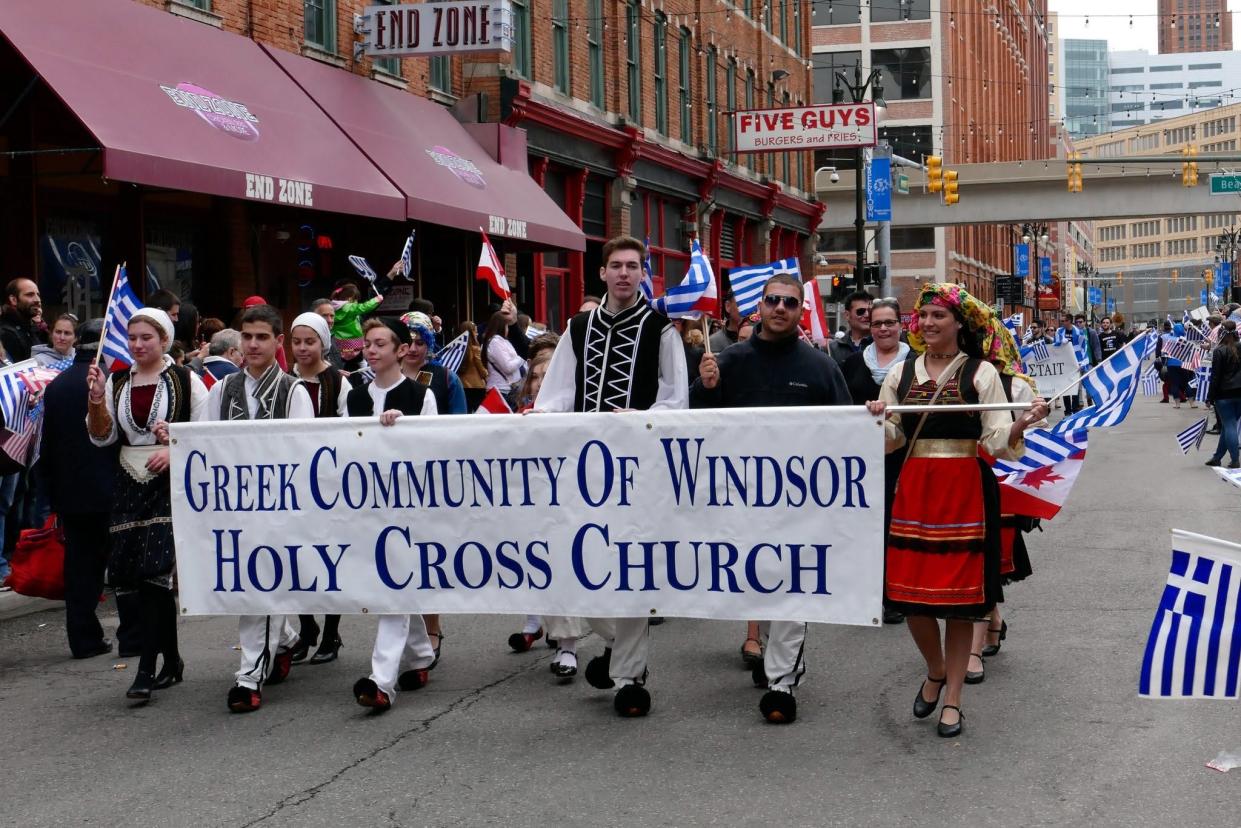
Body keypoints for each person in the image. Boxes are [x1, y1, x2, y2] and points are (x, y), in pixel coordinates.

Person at [865, 283, 1048, 738]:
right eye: (923, 316)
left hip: (966, 491)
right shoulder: (901, 374)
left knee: (962, 604)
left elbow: (994, 443)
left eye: (938, 317)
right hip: (915, 492)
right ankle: (935, 669)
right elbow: (892, 439)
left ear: (959, 324)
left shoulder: (982, 374)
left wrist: (1020, 423)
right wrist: (874, 418)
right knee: (910, 598)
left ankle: (953, 699)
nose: (927, 323)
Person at [533, 235, 689, 718]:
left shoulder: (662, 328)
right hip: (584, 469)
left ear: (643, 273)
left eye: (633, 266)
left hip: (639, 472)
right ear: (602, 273)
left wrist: (637, 418)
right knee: (574, 567)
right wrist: (536, 424)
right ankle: (619, 649)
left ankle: (629, 677)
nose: (624, 273)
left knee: (631, 569)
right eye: (616, 266)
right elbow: (556, 394)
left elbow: (675, 400)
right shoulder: (578, 328)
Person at [691, 273, 851, 724]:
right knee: (756, 584)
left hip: (802, 505)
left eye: (790, 302)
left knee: (795, 588)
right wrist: (704, 389)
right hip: (738, 503)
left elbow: (846, 432)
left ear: (800, 311)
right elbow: (692, 429)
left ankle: (782, 682)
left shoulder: (821, 368)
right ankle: (763, 651)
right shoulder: (727, 361)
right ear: (757, 306)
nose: (780, 307)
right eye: (772, 300)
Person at [86, 308, 209, 702]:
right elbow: (102, 439)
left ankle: (146, 667)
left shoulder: (187, 381)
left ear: (164, 340)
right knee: (133, 577)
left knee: (156, 574)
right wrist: (94, 403)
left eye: (146, 338)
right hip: (127, 481)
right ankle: (171, 660)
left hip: (168, 484)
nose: (138, 345)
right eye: (133, 338)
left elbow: (205, 436)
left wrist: (174, 449)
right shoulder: (118, 381)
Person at [206, 305, 314, 713]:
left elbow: (303, 452)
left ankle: (248, 676)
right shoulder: (221, 390)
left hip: (278, 505)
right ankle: (285, 641)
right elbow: (206, 445)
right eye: (246, 336)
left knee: (261, 586)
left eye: (261, 337)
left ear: (277, 342)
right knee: (248, 588)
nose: (252, 344)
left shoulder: (293, 391)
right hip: (235, 504)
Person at [347, 318, 438, 713]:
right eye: (367, 343)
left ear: (400, 350)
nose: (371, 349)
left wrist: (402, 431)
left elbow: (435, 447)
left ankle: (381, 681)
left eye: (380, 343)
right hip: (368, 501)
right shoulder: (354, 397)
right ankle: (420, 654)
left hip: (409, 503)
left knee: (393, 582)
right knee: (394, 582)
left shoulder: (420, 395)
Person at [42, 319, 139, 659]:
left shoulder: (56, 387)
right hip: (116, 488)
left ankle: (83, 640)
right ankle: (132, 637)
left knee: (80, 568)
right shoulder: (115, 385)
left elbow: (47, 448)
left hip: (72, 494)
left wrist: (51, 495)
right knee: (124, 566)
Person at [840, 297, 912, 626]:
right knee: (866, 526)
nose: (883, 328)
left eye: (889, 322)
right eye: (877, 323)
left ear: (901, 325)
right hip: (861, 460)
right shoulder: (853, 364)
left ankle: (896, 594)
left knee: (897, 525)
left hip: (904, 457)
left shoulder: (917, 365)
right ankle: (869, 593)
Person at [286, 311, 350, 664]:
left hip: (326, 480)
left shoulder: (337, 382)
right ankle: (306, 626)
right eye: (296, 341)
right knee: (297, 557)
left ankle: (330, 632)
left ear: (323, 343)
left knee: (328, 557)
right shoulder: (283, 381)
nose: (302, 348)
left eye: (309, 341)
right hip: (293, 481)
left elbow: (346, 428)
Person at [401, 311, 467, 415]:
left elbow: (459, 422)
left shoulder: (447, 378)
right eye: (408, 342)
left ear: (429, 345)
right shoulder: (386, 376)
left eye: (420, 343)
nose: (412, 349)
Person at [1205, 321, 1241, 469]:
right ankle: (1217, 457)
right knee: (1228, 426)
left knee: (1229, 425)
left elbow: (1215, 377)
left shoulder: (1219, 351)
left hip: (1224, 395)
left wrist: (1209, 397)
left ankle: (1235, 460)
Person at [329, 283, 383, 369]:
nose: (357, 302)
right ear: (350, 298)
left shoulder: (332, 308)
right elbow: (364, 307)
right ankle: (365, 371)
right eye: (356, 300)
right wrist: (376, 300)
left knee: (347, 361)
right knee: (361, 359)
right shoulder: (349, 308)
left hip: (341, 342)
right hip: (355, 341)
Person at [481, 302, 524, 398]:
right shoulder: (495, 342)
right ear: (501, 326)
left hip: (507, 389)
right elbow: (508, 367)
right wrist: (521, 356)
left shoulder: (503, 341)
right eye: (507, 326)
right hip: (500, 390)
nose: (508, 329)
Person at [0, 278, 45, 362]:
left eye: (38, 294)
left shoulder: (31, 327)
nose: (37, 300)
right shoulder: (6, 333)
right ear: (13, 300)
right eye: (30, 295)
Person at [827, 291, 873, 364]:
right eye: (861, 311)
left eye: (870, 311)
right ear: (847, 315)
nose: (867, 315)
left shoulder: (881, 344)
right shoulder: (832, 348)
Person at [455, 320, 487, 411]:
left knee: (466, 411)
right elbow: (481, 370)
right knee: (479, 413)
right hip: (477, 386)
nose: (477, 333)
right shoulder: (475, 349)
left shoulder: (457, 350)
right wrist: (486, 373)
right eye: (475, 331)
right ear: (470, 333)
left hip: (462, 385)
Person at [310, 298, 346, 370]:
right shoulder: (306, 342)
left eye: (332, 316)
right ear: (313, 316)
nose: (329, 320)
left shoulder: (337, 340)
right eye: (324, 316)